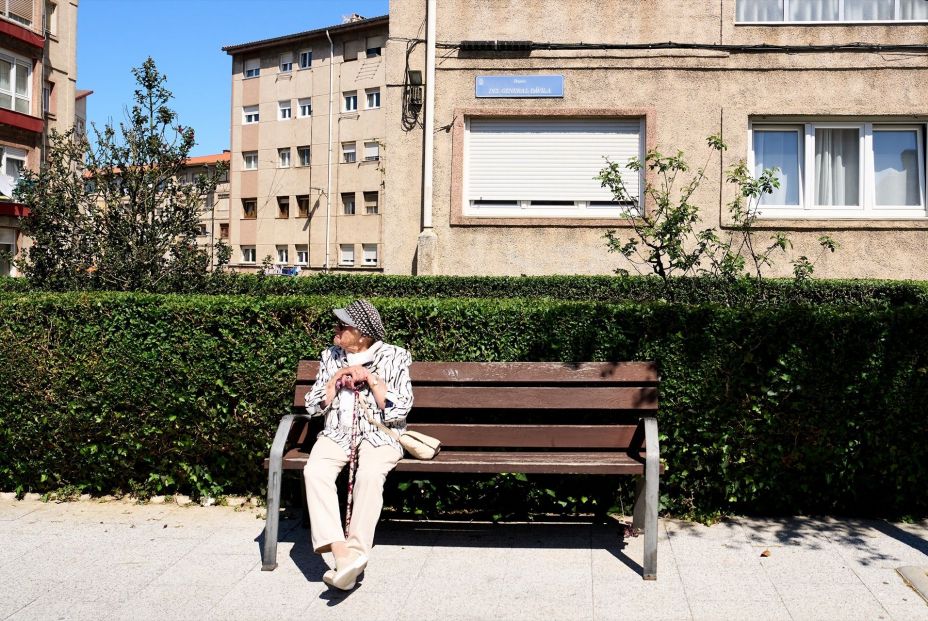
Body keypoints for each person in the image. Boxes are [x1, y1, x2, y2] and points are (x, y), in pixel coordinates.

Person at [302, 299, 413, 590]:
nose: (336, 330)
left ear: (363, 333)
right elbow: (313, 408)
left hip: (380, 435)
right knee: (315, 471)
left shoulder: (395, 356)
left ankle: (356, 554)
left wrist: (373, 381)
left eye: (343, 326)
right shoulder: (331, 356)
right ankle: (343, 555)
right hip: (337, 433)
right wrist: (334, 381)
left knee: (369, 475)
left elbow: (399, 410)